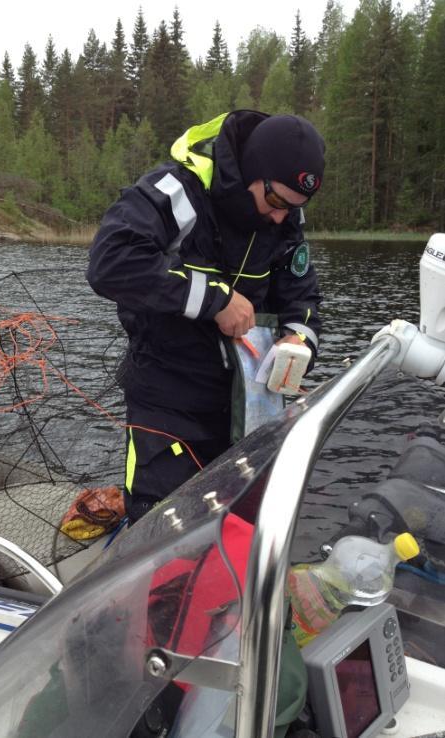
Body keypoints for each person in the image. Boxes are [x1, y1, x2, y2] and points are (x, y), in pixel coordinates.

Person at [87, 110, 325, 524]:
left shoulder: (284, 216)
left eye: (294, 208)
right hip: (167, 401)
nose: (280, 217)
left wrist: (299, 339)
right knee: (159, 530)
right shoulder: (178, 191)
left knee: (239, 527)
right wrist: (216, 299)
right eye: (275, 202)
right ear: (254, 170)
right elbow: (111, 262)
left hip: (245, 407)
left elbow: (301, 294)